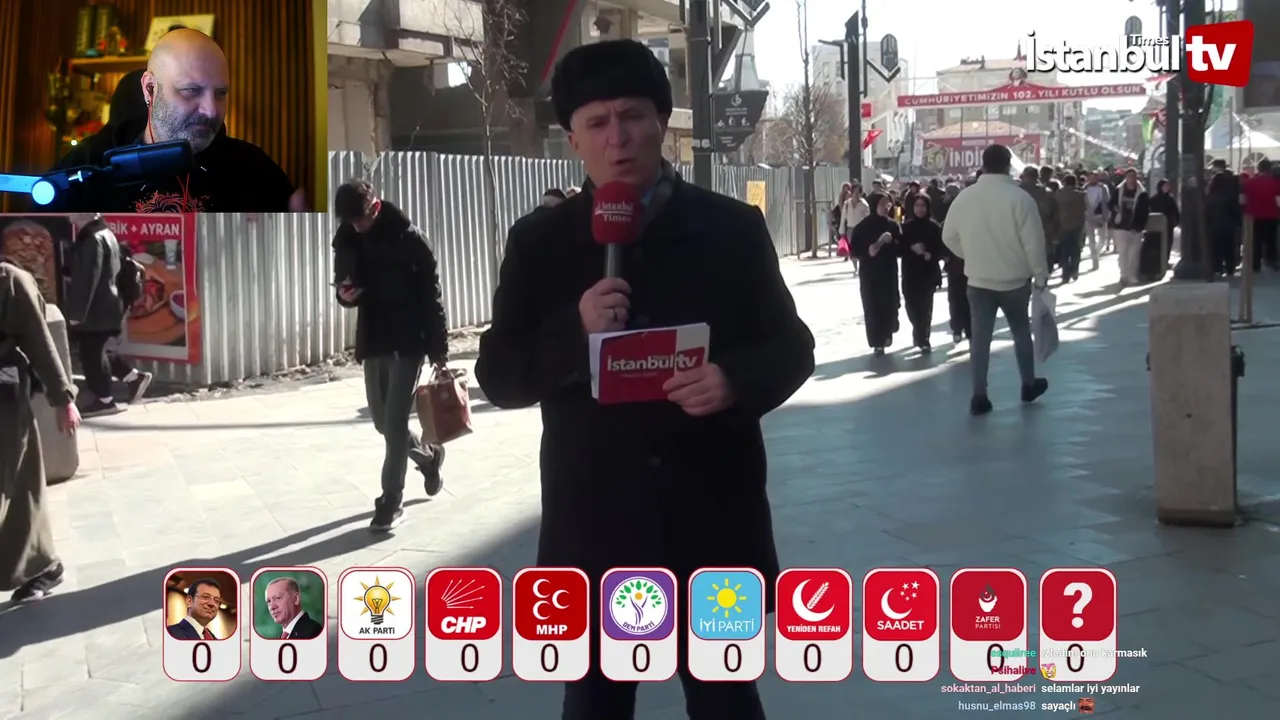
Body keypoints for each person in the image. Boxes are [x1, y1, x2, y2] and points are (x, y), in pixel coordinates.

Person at [474, 38, 815, 720]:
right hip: (596, 529)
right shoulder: (540, 243)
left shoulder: (731, 229)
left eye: (632, 116)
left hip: (712, 521)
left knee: (726, 700)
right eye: (596, 122)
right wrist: (574, 331)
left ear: (662, 122)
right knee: (595, 704)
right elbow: (500, 375)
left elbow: (792, 347)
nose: (618, 137)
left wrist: (733, 380)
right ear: (573, 139)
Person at [47, 29, 305, 213]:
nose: (211, 110)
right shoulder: (83, 168)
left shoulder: (255, 171)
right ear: (150, 89)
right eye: (191, 90)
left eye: (221, 93)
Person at [332, 180, 449, 532]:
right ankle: (428, 459)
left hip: (409, 339)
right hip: (375, 338)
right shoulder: (348, 237)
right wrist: (345, 295)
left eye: (361, 219)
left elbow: (432, 295)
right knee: (383, 423)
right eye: (351, 221)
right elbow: (343, 282)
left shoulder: (410, 239)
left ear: (376, 207)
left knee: (395, 422)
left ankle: (390, 501)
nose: (357, 226)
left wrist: (439, 348)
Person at [942, 144, 1049, 416]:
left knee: (980, 338)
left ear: (983, 164)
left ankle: (979, 395)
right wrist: (1040, 275)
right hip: (1015, 280)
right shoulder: (1021, 199)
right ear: (1007, 166)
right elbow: (1034, 243)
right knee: (1021, 332)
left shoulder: (965, 198)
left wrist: (970, 255)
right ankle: (1028, 384)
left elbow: (948, 236)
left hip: (978, 280)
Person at [0, 260, 79, 604]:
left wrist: (63, 399)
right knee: (20, 486)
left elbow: (40, 341)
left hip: (4, 403)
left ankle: (40, 566)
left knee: (17, 483)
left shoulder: (10, 281)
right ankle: (39, 565)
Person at [65, 213, 152, 417]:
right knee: (99, 351)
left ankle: (104, 400)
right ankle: (133, 378)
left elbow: (88, 278)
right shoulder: (104, 233)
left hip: (96, 308)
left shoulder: (93, 239)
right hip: (108, 304)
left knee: (91, 354)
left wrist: (77, 313)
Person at [849, 192, 902, 354]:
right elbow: (855, 250)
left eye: (888, 204)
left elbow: (901, 248)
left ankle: (887, 333)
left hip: (888, 272)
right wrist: (868, 251)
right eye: (882, 203)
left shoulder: (892, 225)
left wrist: (891, 242)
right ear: (874, 205)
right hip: (870, 274)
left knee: (889, 304)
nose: (886, 207)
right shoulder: (862, 227)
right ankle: (876, 341)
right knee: (872, 306)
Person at [900, 194, 944, 353]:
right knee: (911, 306)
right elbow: (899, 249)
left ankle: (924, 338)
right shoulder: (906, 228)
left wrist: (930, 255)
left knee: (926, 308)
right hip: (910, 272)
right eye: (917, 206)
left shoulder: (934, 227)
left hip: (928, 272)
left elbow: (941, 249)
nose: (920, 209)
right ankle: (918, 330)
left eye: (923, 206)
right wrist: (911, 248)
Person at [1107, 168, 1150, 286]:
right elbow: (1110, 204)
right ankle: (1124, 274)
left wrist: (1140, 225)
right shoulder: (1118, 190)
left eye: (1133, 176)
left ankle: (1132, 275)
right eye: (1129, 176)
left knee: (1134, 253)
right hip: (1120, 225)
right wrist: (1116, 209)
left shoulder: (1142, 193)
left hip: (1135, 227)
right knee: (1123, 252)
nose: (1131, 179)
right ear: (1125, 178)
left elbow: (1145, 211)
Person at [1241, 158, 1280, 272]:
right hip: (1271, 215)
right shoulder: (1275, 183)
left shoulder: (1248, 183)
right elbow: (1278, 201)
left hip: (1252, 216)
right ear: (1269, 169)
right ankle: (1271, 260)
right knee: (1271, 240)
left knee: (1255, 240)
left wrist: (1245, 212)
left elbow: (1243, 200)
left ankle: (1255, 263)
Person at [1019, 166, 1060, 276]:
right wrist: (1055, 233)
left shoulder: (1015, 191)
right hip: (1043, 230)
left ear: (1024, 176)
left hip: (1020, 231)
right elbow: (1055, 214)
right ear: (1037, 176)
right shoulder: (1047, 192)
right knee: (1043, 259)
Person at [1207, 170, 1242, 276]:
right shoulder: (1230, 195)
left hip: (1214, 225)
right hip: (1229, 225)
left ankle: (1217, 267)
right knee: (1229, 247)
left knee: (1215, 247)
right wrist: (1239, 222)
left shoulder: (1209, 196)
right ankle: (1230, 267)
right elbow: (1236, 210)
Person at [1053, 175, 1087, 283]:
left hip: (1062, 226)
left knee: (1064, 251)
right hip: (1077, 226)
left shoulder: (1057, 195)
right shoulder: (1080, 195)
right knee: (1076, 250)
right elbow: (1085, 209)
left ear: (1064, 182)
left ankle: (1065, 274)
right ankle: (1074, 271)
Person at [1147, 179, 1180, 267]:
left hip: (1168, 225)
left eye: (1167, 186)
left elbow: (1175, 211)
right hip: (1157, 226)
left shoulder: (1170, 199)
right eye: (1164, 186)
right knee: (1158, 243)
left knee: (1168, 243)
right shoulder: (1154, 199)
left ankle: (1165, 261)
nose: (1166, 188)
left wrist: (1177, 221)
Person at [838, 181, 869, 271]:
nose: (856, 195)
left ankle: (861, 264)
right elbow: (843, 218)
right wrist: (842, 231)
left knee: (861, 248)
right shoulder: (847, 204)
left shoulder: (864, 204)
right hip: (850, 229)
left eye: (858, 192)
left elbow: (868, 218)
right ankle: (856, 267)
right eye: (854, 192)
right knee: (852, 250)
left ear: (861, 193)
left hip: (861, 230)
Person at [1083, 171, 1111, 265]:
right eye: (1090, 177)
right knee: (1091, 240)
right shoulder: (1084, 189)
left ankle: (1096, 254)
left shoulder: (1103, 188)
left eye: (1094, 177)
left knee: (1102, 239)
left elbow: (1107, 201)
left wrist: (1107, 214)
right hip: (1089, 216)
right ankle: (1094, 260)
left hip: (1101, 215)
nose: (1092, 179)